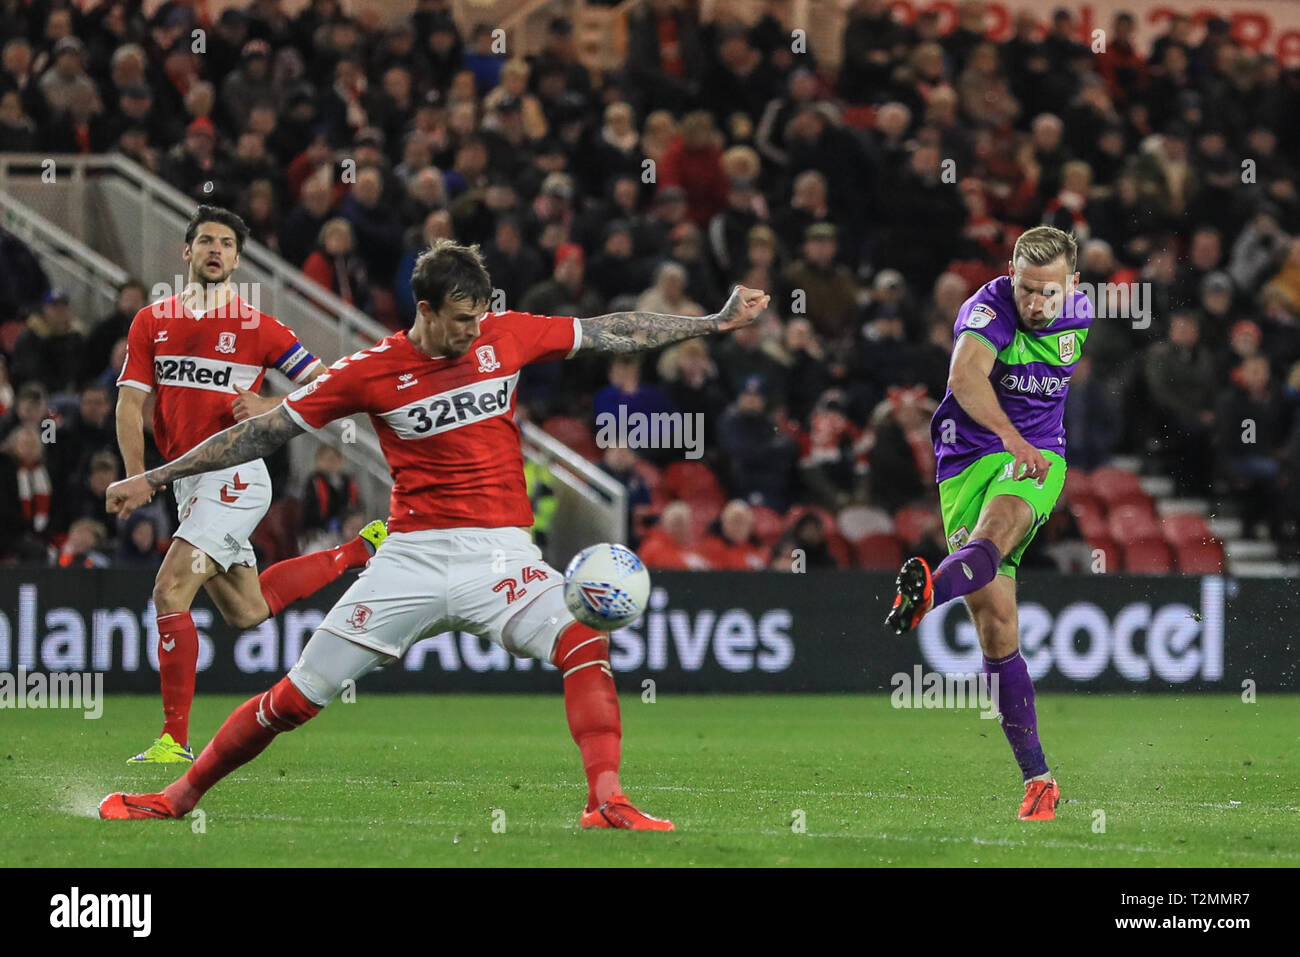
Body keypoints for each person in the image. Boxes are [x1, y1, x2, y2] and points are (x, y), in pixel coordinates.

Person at [100, 239, 769, 829]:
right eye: (459, 319)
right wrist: (156, 476)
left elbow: (611, 330)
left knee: (582, 639)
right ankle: (179, 795)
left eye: (479, 315)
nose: (473, 330)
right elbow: (260, 432)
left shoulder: (505, 333)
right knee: (296, 696)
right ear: (424, 309)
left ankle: (607, 800)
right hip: (411, 559)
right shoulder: (368, 371)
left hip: (502, 554)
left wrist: (712, 322)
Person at [113, 205, 386, 766]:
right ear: (186, 252)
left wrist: (272, 402)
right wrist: (139, 475)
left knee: (169, 590)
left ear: (237, 259)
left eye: (226, 244)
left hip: (235, 478)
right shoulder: (151, 321)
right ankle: (356, 552)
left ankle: (173, 741)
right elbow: (129, 404)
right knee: (246, 612)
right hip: (188, 484)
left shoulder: (257, 326)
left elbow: (327, 383)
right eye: (206, 241)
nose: (216, 250)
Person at [884, 226, 1092, 823]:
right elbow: (964, 378)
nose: (1036, 304)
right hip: (969, 459)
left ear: (1073, 287)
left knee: (997, 532)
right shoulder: (987, 308)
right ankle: (1040, 782)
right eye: (1027, 289)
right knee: (998, 628)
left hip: (1038, 457)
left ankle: (929, 590)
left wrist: (1024, 445)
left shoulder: (1082, 314)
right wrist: (1007, 435)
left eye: (1049, 293)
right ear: (1011, 275)